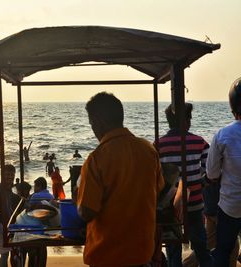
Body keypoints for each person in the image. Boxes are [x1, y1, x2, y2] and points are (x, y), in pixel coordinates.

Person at [77, 92, 164, 266]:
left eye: (91, 123)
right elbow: (158, 191)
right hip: (142, 252)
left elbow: (87, 212)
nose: (93, 129)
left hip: (108, 255)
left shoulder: (97, 159)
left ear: (98, 122)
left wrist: (77, 198)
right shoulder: (148, 150)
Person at [156, 103, 213, 267]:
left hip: (169, 208)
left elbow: (155, 176)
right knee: (202, 249)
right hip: (194, 203)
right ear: (187, 121)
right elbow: (211, 171)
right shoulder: (199, 142)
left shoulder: (158, 145)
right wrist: (201, 185)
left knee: (173, 251)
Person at [207, 77, 241, 267]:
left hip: (230, 206)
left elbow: (211, 173)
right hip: (230, 206)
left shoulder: (223, 135)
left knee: (222, 252)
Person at [0, 164, 21, 267]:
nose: (10, 177)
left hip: (7, 227)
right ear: (2, 175)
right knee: (4, 253)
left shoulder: (9, 191)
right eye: (7, 174)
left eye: (12, 174)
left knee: (6, 253)